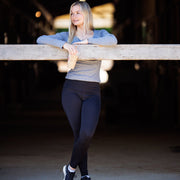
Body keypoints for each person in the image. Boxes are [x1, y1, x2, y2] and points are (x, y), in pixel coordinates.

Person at [36, 1, 117, 180]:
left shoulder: (100, 34)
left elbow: (113, 40)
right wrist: (64, 45)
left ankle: (70, 169)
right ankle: (85, 175)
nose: (74, 17)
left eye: (77, 13)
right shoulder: (68, 36)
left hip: (92, 90)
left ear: (87, 14)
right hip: (71, 89)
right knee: (79, 135)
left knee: (86, 134)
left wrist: (88, 42)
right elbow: (40, 39)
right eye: (71, 13)